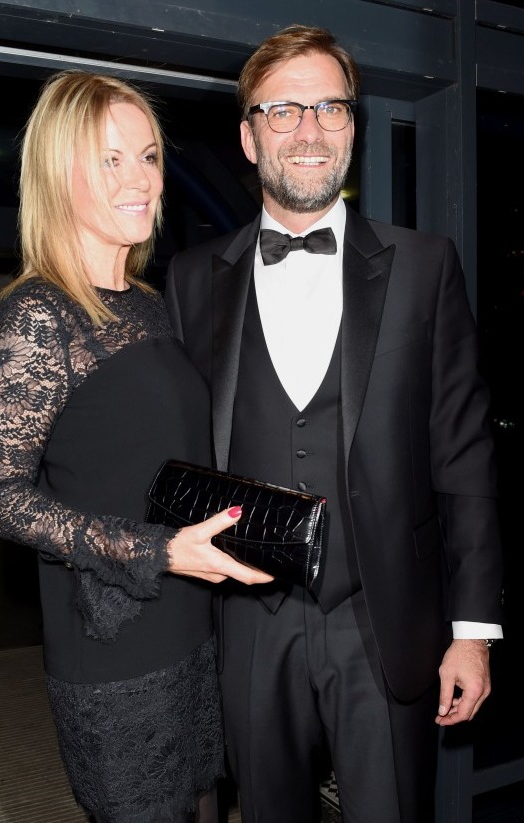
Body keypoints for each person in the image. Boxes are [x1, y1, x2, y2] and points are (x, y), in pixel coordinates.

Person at [164, 23, 505, 823]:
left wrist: (474, 630)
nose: (308, 130)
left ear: (352, 124)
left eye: (329, 107)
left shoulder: (425, 266)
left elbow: (463, 456)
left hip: (384, 618)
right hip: (245, 625)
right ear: (248, 138)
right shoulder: (188, 280)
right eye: (281, 111)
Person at [0, 69, 272, 823]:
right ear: (56, 172)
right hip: (112, 644)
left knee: (206, 804)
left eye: (147, 155)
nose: (140, 178)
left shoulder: (149, 302)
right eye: (110, 159)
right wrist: (158, 551)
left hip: (194, 622)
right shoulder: (40, 316)